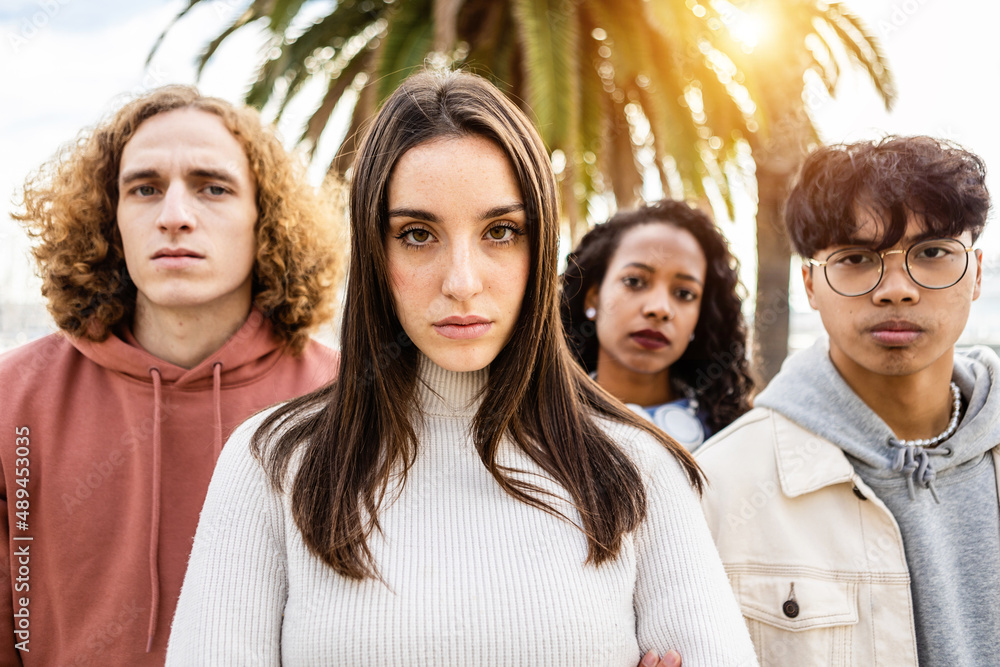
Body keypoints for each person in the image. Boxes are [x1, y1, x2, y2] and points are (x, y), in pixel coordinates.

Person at [166, 69, 757, 666]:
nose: (462, 282)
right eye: (418, 234)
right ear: (373, 252)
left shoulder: (639, 469)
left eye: (500, 231)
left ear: (541, 246)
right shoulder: (271, 465)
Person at [0, 85, 343, 664]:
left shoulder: (344, 397)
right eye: (145, 188)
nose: (175, 217)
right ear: (110, 217)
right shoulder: (13, 400)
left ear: (265, 218)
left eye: (213, 187)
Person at [695, 136, 998, 665]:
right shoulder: (718, 486)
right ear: (810, 284)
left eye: (932, 253)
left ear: (974, 272)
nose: (896, 289)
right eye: (856, 258)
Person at [561, 200, 754, 449]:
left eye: (684, 294)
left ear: (700, 316)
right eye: (634, 281)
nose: (660, 309)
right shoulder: (534, 424)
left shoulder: (735, 438)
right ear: (593, 297)